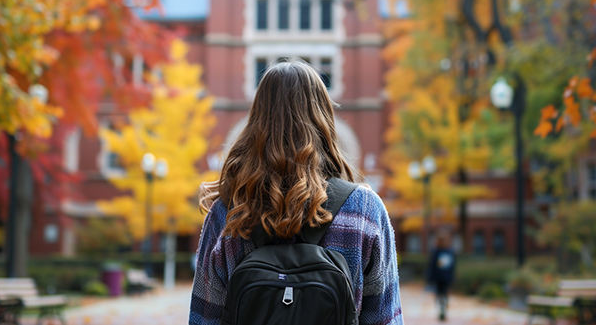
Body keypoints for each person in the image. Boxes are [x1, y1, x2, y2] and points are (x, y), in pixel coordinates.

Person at [189, 60, 404, 325]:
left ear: (256, 120)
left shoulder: (227, 213)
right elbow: (384, 319)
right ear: (324, 118)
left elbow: (203, 320)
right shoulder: (365, 210)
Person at [427, 234, 456, 322]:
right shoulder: (448, 251)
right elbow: (452, 266)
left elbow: (432, 266)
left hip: (440, 277)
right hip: (444, 277)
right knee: (443, 294)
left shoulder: (437, 252)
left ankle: (442, 309)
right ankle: (443, 309)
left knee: (440, 294)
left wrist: (430, 277)